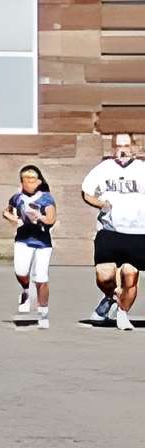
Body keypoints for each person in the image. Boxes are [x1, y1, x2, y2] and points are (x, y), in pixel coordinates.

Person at [80, 135, 145, 329]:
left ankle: (122, 314)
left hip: (139, 232)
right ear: (112, 148)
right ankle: (110, 297)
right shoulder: (103, 169)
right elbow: (87, 192)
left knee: (129, 275)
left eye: (126, 145)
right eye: (118, 146)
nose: (122, 150)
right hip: (110, 231)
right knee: (104, 276)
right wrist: (102, 204)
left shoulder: (142, 169)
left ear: (134, 147)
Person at [5, 164, 57, 326]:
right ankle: (26, 290)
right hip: (23, 239)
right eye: (25, 179)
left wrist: (39, 217)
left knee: (41, 277)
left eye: (32, 179)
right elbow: (7, 211)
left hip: (42, 242)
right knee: (21, 271)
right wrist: (16, 219)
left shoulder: (46, 198)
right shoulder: (17, 197)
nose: (29, 182)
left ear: (39, 181)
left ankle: (43, 313)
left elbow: (51, 219)